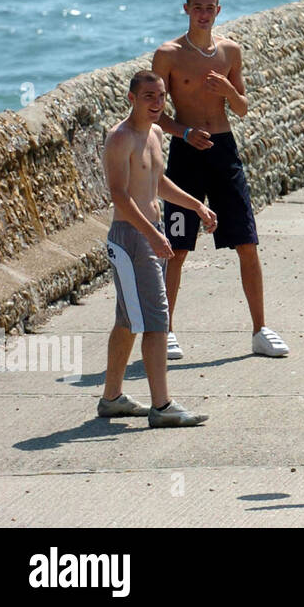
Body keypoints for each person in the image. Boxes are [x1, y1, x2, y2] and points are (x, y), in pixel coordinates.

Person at [151, 0, 289, 360]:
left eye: (210, 6)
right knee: (176, 248)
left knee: (247, 241)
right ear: (186, 9)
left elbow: (242, 108)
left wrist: (228, 89)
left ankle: (260, 330)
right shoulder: (168, 55)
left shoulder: (230, 51)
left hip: (224, 151)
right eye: (197, 6)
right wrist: (183, 131)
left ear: (218, 10)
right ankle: (166, 331)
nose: (204, 12)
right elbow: (154, 113)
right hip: (186, 153)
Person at [98, 71, 215, 427]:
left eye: (161, 96)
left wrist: (196, 205)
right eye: (148, 96)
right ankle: (161, 407)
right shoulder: (121, 138)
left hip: (149, 233)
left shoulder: (155, 133)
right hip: (131, 237)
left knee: (128, 320)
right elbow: (119, 195)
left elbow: (157, 181)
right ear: (131, 98)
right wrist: (151, 234)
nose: (156, 102)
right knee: (156, 319)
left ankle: (112, 398)